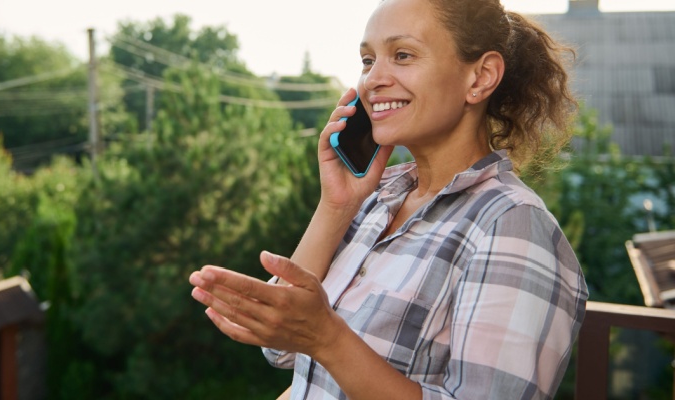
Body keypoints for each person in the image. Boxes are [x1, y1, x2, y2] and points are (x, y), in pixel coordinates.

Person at [188, 0, 588, 398]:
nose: (373, 79)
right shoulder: (379, 203)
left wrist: (330, 339)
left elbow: (320, 342)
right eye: (367, 60)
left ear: (480, 77)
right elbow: (282, 349)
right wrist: (337, 205)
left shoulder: (513, 226)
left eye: (402, 55)